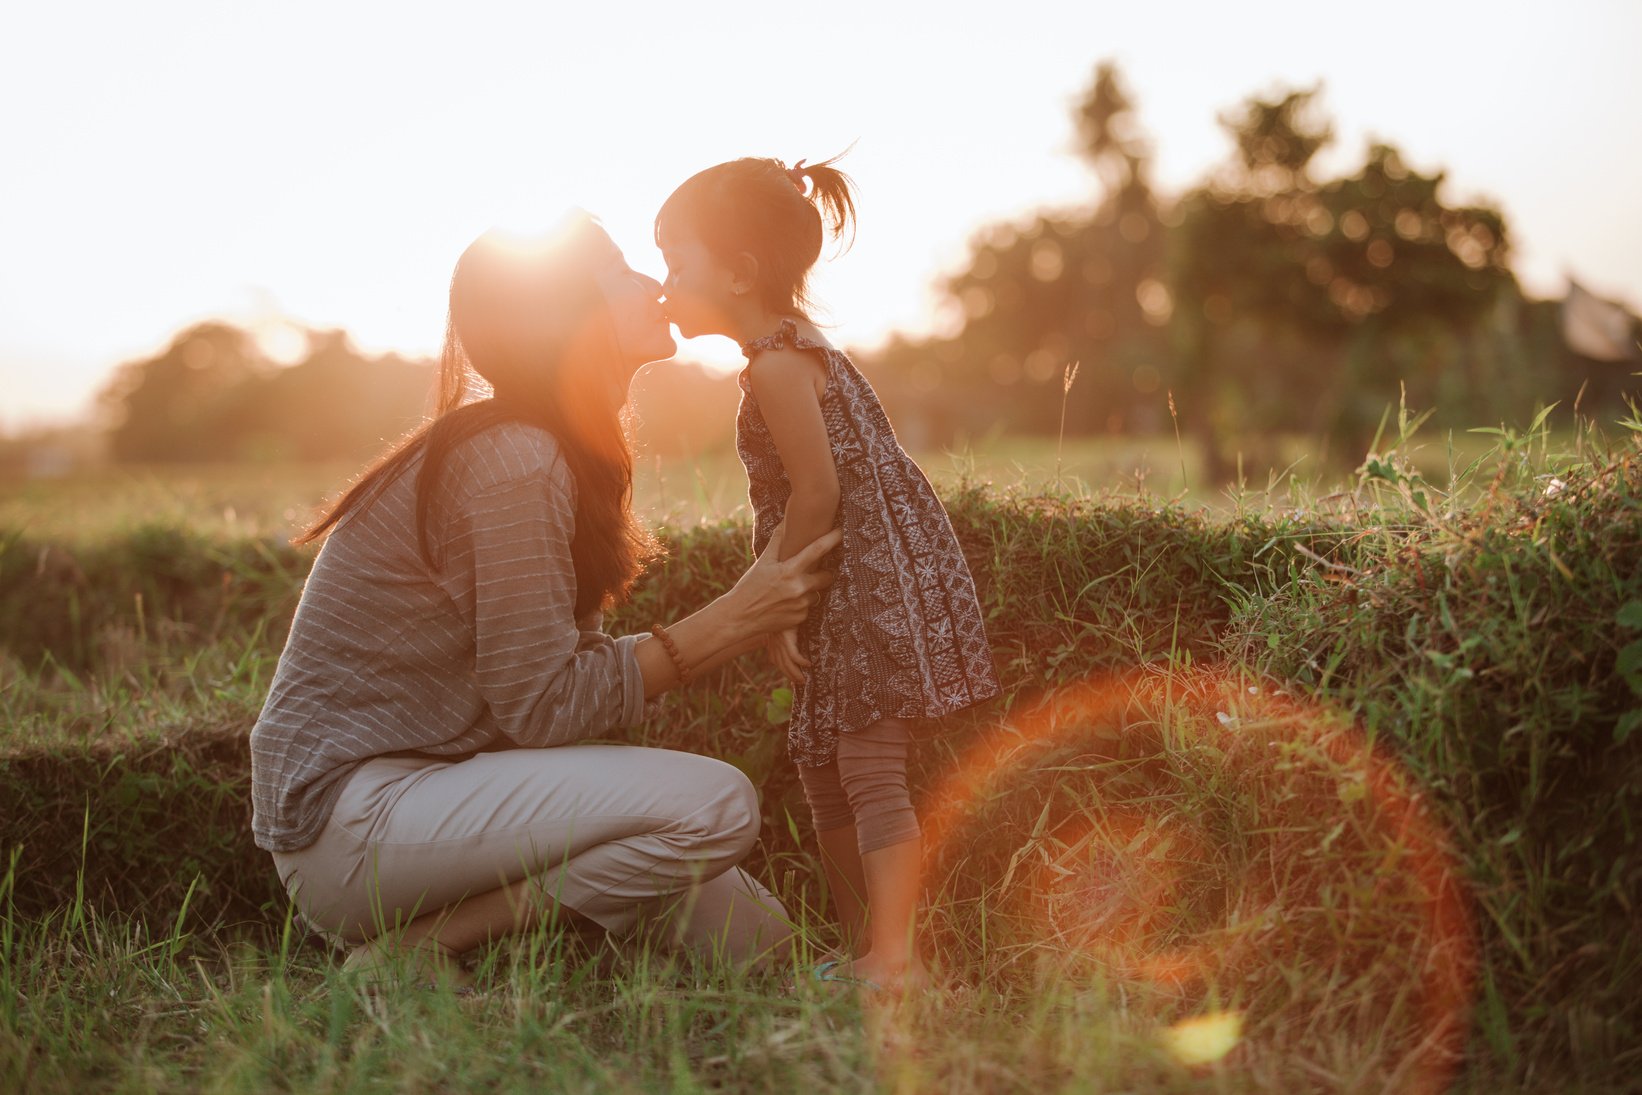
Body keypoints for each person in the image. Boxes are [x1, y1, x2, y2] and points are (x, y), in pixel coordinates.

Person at [249, 211, 842, 992]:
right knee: (717, 805)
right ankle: (422, 943)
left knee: (770, 954)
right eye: (625, 270)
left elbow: (555, 695)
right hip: (354, 826)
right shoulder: (513, 460)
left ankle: (813, 980)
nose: (652, 284)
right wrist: (733, 620)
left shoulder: (551, 449)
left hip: (436, 801)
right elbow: (544, 708)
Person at [654, 156, 1001, 992]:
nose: (664, 283)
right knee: (822, 770)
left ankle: (898, 956)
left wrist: (769, 606)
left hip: (864, 595)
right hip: (847, 591)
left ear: (737, 273)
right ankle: (866, 953)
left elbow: (817, 492)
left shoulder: (777, 366)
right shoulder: (790, 353)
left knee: (868, 770)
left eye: (676, 262)